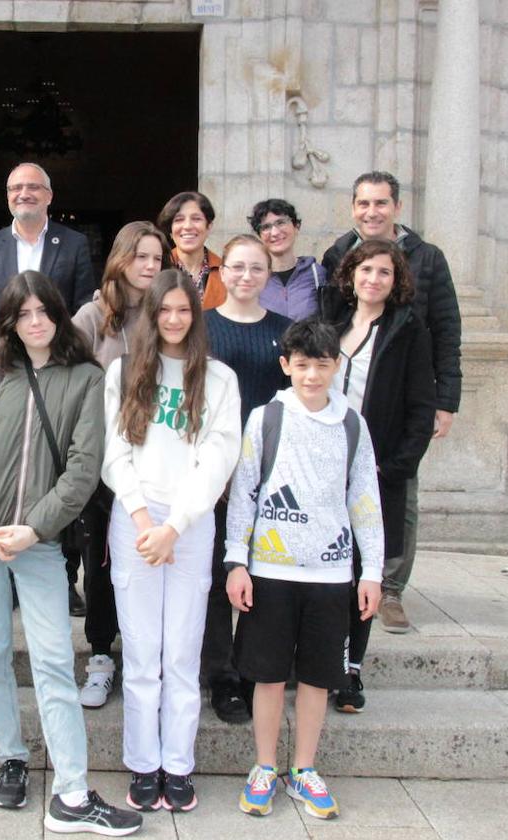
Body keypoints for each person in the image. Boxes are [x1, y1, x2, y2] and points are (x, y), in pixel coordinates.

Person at [0, 271, 141, 837]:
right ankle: (12, 757)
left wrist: (31, 530)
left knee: (54, 660)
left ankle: (73, 792)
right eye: (22, 314)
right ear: (9, 322)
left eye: (43, 312)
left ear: (58, 315)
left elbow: (82, 470)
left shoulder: (85, 379)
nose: (34, 323)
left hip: (40, 544)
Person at [225, 319, 383, 821]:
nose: (312, 375)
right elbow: (244, 492)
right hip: (270, 570)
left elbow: (365, 499)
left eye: (322, 364)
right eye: (302, 365)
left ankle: (305, 769)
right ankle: (265, 766)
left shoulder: (353, 423)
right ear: (285, 365)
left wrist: (372, 570)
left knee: (317, 679)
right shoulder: (266, 417)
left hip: (332, 575)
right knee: (268, 677)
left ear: (337, 365)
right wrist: (236, 561)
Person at [102, 269, 240, 813]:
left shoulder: (220, 380)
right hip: (136, 519)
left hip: (190, 522)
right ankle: (143, 764)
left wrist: (175, 527)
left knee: (181, 652)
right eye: (165, 310)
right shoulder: (124, 371)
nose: (175, 320)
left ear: (196, 315)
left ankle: (178, 765)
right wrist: (143, 522)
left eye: (185, 310)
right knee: (140, 652)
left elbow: (217, 459)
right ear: (151, 314)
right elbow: (115, 451)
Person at [320, 170, 462, 634]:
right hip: (351, 393)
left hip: (404, 394)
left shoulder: (428, 258)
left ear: (396, 207)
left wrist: (446, 400)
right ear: (353, 207)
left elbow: (447, 328)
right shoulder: (337, 253)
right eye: (363, 203)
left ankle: (392, 589)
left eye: (381, 203)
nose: (372, 212)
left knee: (399, 494)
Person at [0, 162, 96, 615]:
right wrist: (2, 361)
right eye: (16, 187)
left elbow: (79, 307)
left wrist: (60, 355)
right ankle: (2, 574)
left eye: (34, 187)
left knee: (57, 468)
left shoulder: (73, 245)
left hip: (57, 371)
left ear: (49, 195)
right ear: (7, 197)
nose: (25, 194)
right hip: (7, 375)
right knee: (3, 469)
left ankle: (64, 579)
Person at [327, 240, 435, 713]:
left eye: (384, 272)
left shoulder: (407, 330)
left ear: (397, 281)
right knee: (322, 571)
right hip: (322, 469)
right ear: (351, 274)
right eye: (366, 269)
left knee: (361, 573)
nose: (373, 279)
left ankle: (350, 670)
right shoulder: (330, 323)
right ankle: (314, 659)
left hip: (373, 472)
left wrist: (392, 468)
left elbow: (420, 409)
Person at [70, 221, 167, 709]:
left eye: (157, 258)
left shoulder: (167, 313)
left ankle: (150, 658)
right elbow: (67, 379)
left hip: (160, 462)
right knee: (102, 565)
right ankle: (102, 656)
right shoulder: (92, 315)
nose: (149, 267)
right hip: (106, 464)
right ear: (121, 258)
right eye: (141, 257)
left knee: (153, 564)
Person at [199, 234, 292, 724]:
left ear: (268, 275)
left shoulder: (286, 330)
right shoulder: (202, 327)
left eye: (256, 268)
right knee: (217, 574)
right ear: (222, 271)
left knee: (261, 573)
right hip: (215, 470)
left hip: (269, 469)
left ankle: (255, 666)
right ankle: (221, 675)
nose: (245, 276)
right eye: (236, 267)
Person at [248, 198, 324, 320]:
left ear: (296, 227)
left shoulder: (317, 274)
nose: (275, 232)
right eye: (266, 227)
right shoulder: (254, 277)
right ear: (260, 236)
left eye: (281, 222)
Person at [157, 191, 225, 310]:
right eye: (179, 219)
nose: (187, 226)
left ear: (209, 227)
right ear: (170, 230)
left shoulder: (225, 271)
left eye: (196, 219)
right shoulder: (158, 268)